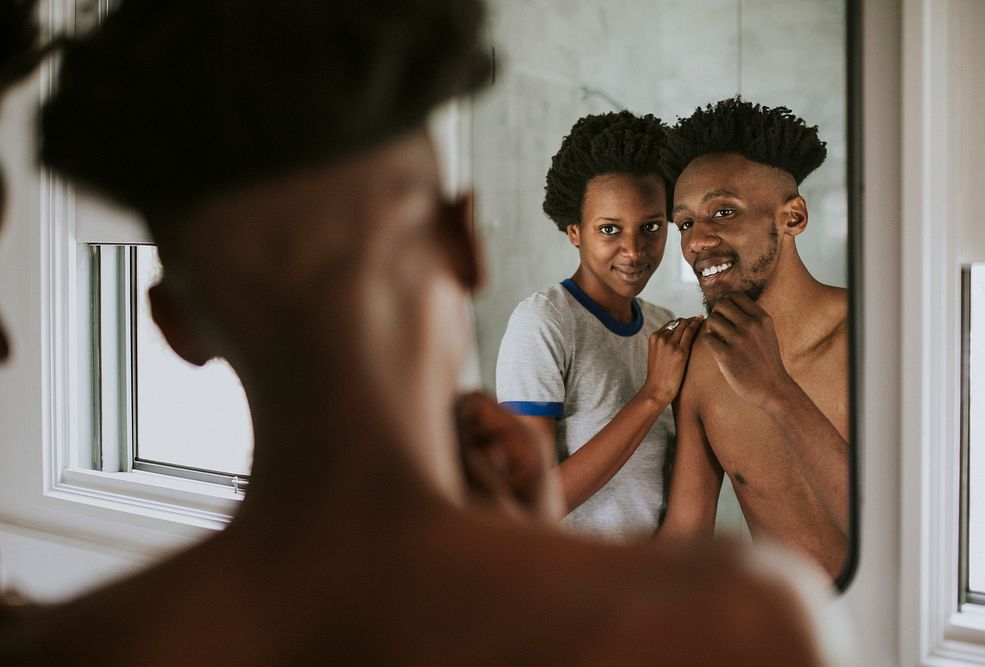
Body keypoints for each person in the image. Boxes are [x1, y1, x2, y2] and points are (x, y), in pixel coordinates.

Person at [0, 2, 831, 663]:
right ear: (464, 243)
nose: (646, 246)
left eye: (655, 227)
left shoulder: (58, 647)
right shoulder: (729, 625)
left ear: (174, 325)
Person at [657, 98, 849, 580]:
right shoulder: (702, 363)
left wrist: (776, 391)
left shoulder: (880, 336)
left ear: (793, 218)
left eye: (723, 211)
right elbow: (684, 539)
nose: (696, 241)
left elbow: (907, 532)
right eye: (685, 223)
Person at [495, 111, 701, 541]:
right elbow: (531, 504)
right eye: (610, 229)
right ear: (574, 230)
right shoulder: (544, 323)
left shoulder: (662, 327)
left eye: (650, 227)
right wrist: (653, 396)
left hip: (646, 583)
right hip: (570, 589)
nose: (633, 250)